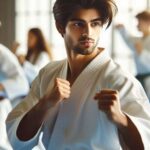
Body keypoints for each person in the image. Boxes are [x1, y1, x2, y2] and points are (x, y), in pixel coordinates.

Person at [6, 0, 150, 149]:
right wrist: (45, 104)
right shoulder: (48, 73)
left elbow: (146, 141)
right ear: (60, 26)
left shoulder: (120, 80)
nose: (88, 32)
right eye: (78, 24)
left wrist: (121, 119)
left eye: (95, 24)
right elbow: (16, 140)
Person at [115, 10, 150, 97]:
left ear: (148, 22)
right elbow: (129, 40)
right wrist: (122, 30)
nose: (137, 25)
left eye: (140, 22)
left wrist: (142, 53)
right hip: (140, 77)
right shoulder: (139, 40)